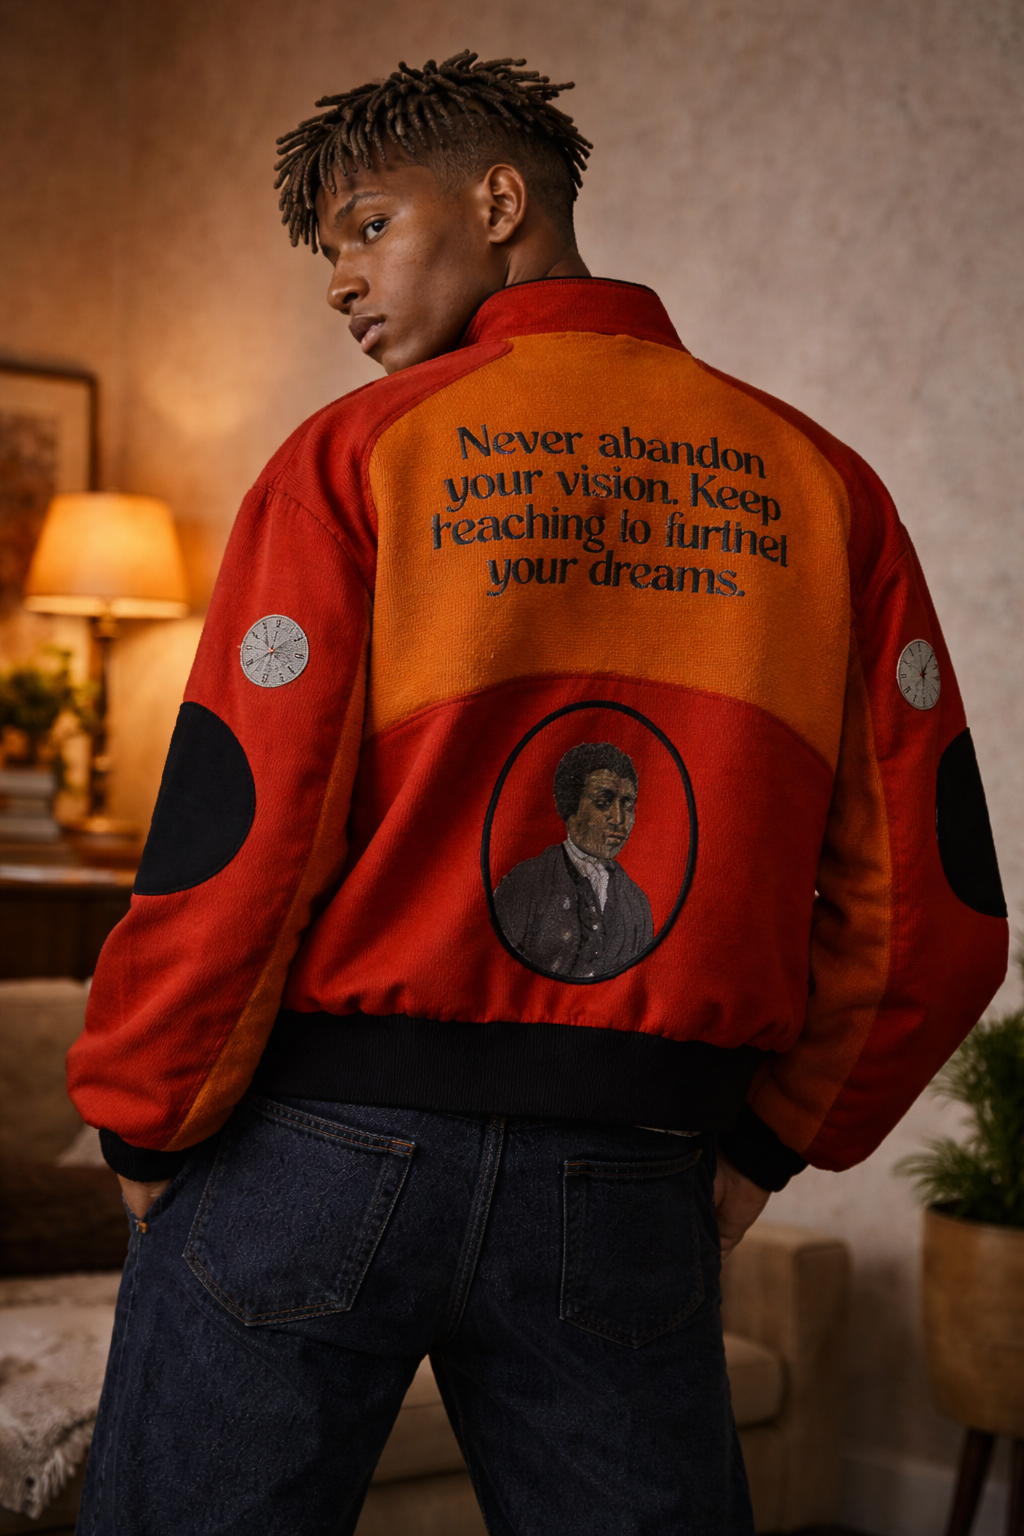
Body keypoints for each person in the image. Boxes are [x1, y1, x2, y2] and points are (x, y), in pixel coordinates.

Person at [66, 50, 1008, 1536]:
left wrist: (145, 1120)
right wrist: (764, 1144)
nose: (340, 282)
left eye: (366, 226)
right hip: (628, 1181)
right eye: (329, 253)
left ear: (502, 201)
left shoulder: (351, 461)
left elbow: (236, 848)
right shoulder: (825, 486)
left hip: (310, 1152)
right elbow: (937, 918)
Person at [493, 741, 654, 976]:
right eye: (603, 802)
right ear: (571, 804)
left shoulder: (637, 903)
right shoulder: (523, 884)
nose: (618, 818)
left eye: (628, 805)